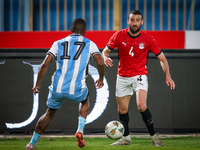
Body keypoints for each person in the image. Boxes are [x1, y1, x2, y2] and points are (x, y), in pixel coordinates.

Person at [26, 18, 105, 149]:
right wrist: (101, 78)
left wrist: (37, 84)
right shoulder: (90, 44)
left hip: (58, 88)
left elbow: (45, 64)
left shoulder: (58, 43)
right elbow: (100, 62)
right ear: (85, 31)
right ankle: (80, 129)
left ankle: (32, 143)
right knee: (85, 100)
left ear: (71, 30)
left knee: (49, 113)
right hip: (77, 89)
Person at [102, 10, 175, 146]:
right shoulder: (118, 35)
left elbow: (163, 59)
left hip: (139, 75)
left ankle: (154, 137)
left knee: (141, 105)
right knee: (122, 110)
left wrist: (168, 76)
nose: (134, 23)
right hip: (122, 77)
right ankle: (126, 138)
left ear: (142, 22)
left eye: (137, 20)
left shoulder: (148, 39)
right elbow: (105, 51)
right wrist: (105, 57)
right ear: (128, 21)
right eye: (132, 20)